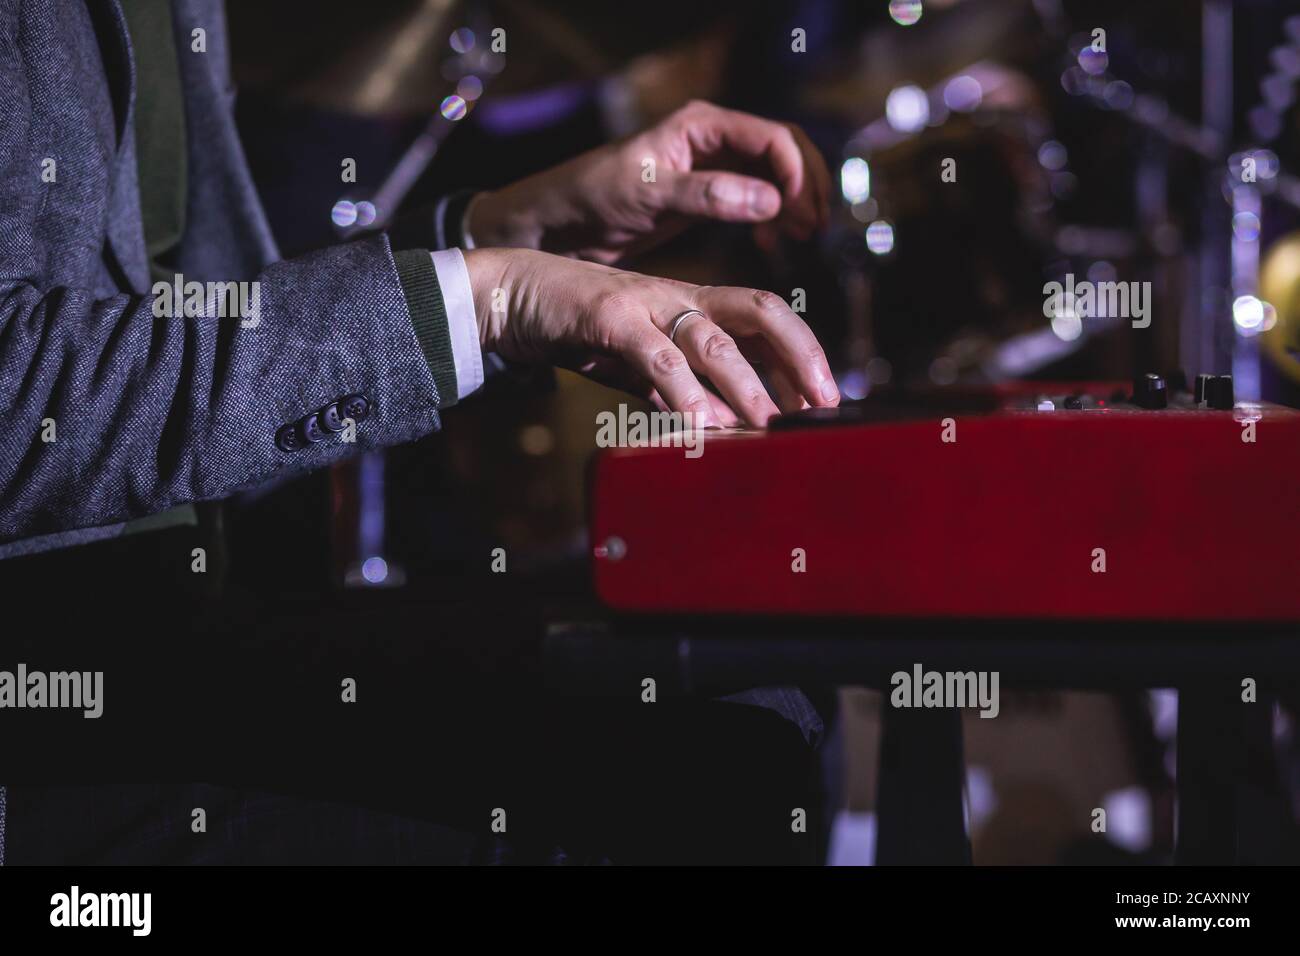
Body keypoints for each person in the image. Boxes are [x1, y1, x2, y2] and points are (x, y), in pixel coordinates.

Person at [0, 0, 837, 864]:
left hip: (166, 624)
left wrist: (502, 233)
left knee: (754, 671)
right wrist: (487, 299)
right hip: (40, 722)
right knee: (710, 770)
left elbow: (207, 340)